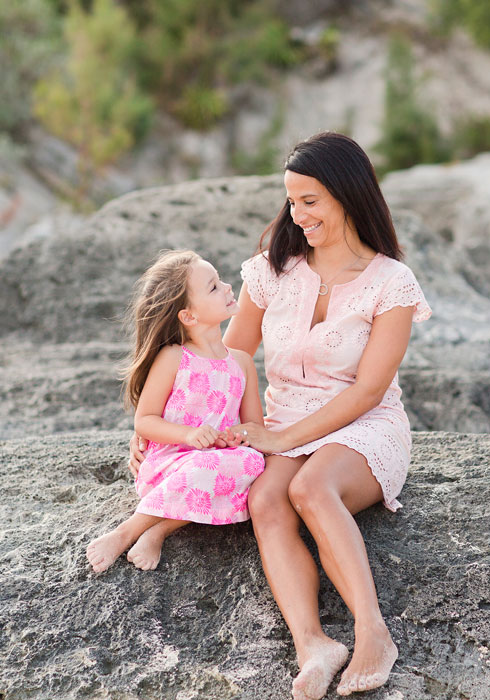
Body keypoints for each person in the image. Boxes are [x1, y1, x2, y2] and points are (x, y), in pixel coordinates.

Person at [130, 132, 431, 698]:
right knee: (266, 498)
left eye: (310, 201)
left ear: (347, 195)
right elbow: (229, 356)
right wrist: (169, 426)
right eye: (292, 201)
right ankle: (313, 643)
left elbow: (369, 390)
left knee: (312, 488)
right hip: (281, 421)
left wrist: (283, 437)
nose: (298, 214)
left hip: (364, 428)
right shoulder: (273, 270)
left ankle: (373, 633)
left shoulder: (393, 283)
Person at [87, 250, 265, 574]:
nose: (227, 287)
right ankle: (126, 532)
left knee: (253, 461)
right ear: (189, 317)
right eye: (213, 287)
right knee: (205, 464)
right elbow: (145, 420)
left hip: (215, 463)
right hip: (169, 463)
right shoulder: (174, 357)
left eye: (221, 280)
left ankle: (158, 530)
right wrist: (189, 434)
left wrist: (233, 438)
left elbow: (254, 428)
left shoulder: (241, 363)